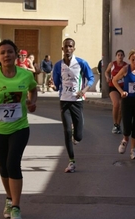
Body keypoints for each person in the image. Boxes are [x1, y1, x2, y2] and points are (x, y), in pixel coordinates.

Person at [0, 39, 37, 219]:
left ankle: (16, 208)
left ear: (16, 55)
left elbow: (33, 89)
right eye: (2, 52)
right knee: (3, 167)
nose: (6, 55)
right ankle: (9, 199)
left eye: (9, 52)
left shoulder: (25, 75)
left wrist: (32, 102)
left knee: (13, 163)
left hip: (19, 128)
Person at [49, 38, 94, 173]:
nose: (68, 49)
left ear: (74, 48)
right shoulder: (58, 65)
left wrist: (84, 90)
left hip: (77, 101)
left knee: (78, 136)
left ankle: (76, 132)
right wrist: (52, 86)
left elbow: (91, 78)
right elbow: (57, 86)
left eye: (70, 46)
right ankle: (71, 161)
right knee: (67, 131)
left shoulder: (81, 63)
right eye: (66, 46)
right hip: (64, 101)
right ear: (62, 49)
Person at [112, 49, 135, 160]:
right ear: (129, 60)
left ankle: (133, 150)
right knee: (127, 126)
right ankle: (125, 140)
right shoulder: (125, 69)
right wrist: (121, 91)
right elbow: (114, 80)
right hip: (127, 101)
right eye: (133, 59)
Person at [105, 50, 127, 134]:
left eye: (121, 55)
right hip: (113, 86)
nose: (120, 56)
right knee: (116, 104)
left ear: (123, 56)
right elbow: (106, 72)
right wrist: (107, 77)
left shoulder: (126, 66)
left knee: (121, 107)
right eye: (118, 55)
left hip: (123, 87)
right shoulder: (112, 64)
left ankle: (118, 124)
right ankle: (115, 124)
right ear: (116, 56)